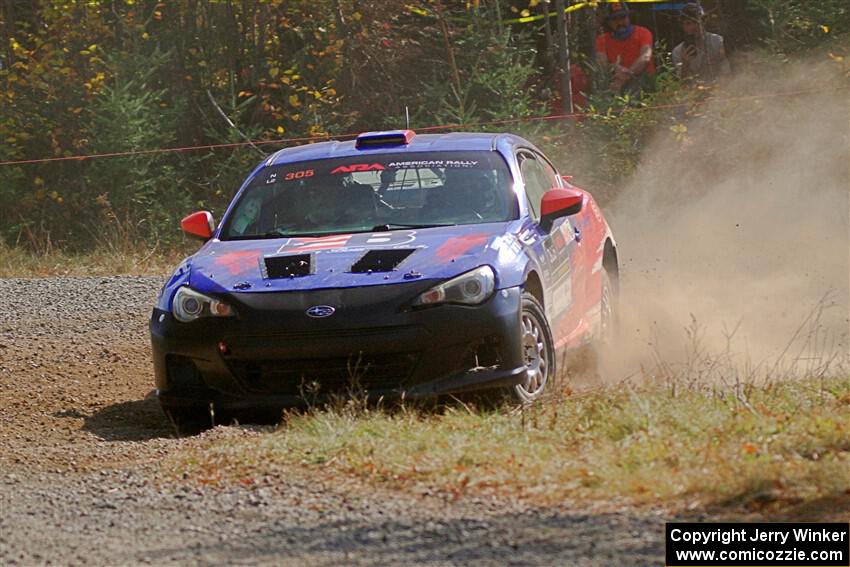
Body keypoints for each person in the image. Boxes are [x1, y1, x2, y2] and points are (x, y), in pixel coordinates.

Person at [594, 2, 655, 95]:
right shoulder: (602, 40)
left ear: (628, 18)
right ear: (609, 22)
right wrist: (615, 67)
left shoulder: (643, 32)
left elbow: (645, 57)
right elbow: (601, 63)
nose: (620, 22)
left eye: (623, 18)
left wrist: (626, 75)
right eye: (615, 19)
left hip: (642, 80)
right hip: (615, 79)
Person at [672, 3, 731, 84]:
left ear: (703, 22)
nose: (693, 27)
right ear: (683, 26)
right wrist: (685, 65)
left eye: (695, 22)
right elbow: (682, 83)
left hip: (719, 89)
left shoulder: (718, 41)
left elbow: (727, 72)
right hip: (693, 93)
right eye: (688, 23)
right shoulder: (678, 51)